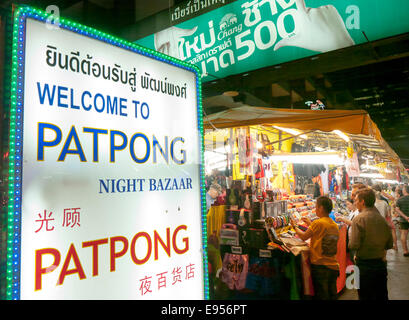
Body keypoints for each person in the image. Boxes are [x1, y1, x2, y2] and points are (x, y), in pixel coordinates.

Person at [291, 196, 339, 300]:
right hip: (333, 266)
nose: (315, 209)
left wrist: (294, 227)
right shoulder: (334, 225)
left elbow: (304, 237)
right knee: (332, 295)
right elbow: (320, 232)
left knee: (322, 296)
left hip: (321, 266)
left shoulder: (318, 223)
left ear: (321, 208)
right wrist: (310, 223)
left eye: (316, 207)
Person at [349, 188, 393, 300]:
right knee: (381, 295)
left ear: (362, 201)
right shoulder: (382, 219)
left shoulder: (358, 219)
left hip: (364, 266)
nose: (355, 203)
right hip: (380, 265)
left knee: (365, 295)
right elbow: (389, 244)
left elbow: (353, 245)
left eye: (356, 200)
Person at [336, 183, 366, 262]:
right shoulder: (357, 210)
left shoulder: (364, 212)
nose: (352, 198)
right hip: (354, 242)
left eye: (354, 195)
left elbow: (356, 224)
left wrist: (343, 219)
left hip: (358, 245)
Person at [395, 185, 409, 257]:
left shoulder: (399, 200)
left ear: (405, 191)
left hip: (403, 220)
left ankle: (405, 251)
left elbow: (397, 209)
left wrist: (405, 217)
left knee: (404, 234)